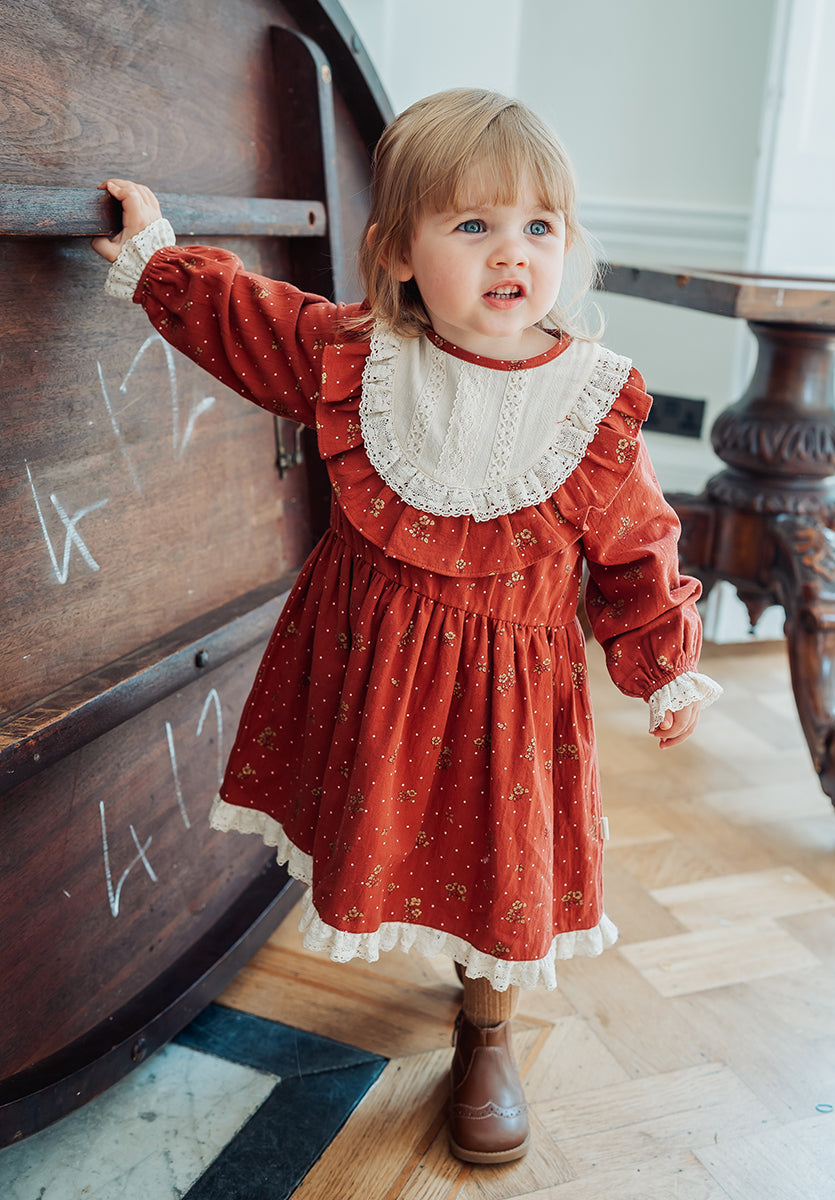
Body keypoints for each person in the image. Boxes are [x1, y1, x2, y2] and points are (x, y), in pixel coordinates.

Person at [92, 88, 721, 1165]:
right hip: (371, 676)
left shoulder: (588, 404)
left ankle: (488, 1028)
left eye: (539, 226)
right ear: (397, 253)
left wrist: (663, 663)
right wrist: (159, 259)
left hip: (506, 702)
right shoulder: (361, 354)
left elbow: (637, 545)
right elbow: (250, 322)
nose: (511, 252)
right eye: (472, 225)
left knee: (499, 863)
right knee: (386, 829)